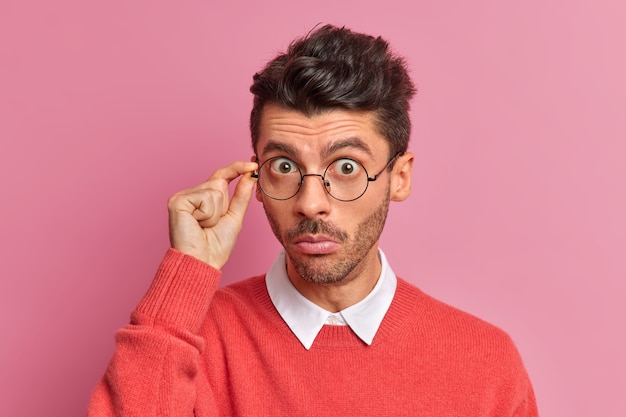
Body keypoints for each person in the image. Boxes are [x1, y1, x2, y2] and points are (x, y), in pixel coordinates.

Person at [88, 24, 538, 416]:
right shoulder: (187, 339)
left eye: (346, 167)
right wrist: (187, 273)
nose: (310, 203)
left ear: (398, 178)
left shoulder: (485, 361)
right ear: (255, 180)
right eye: (284, 166)